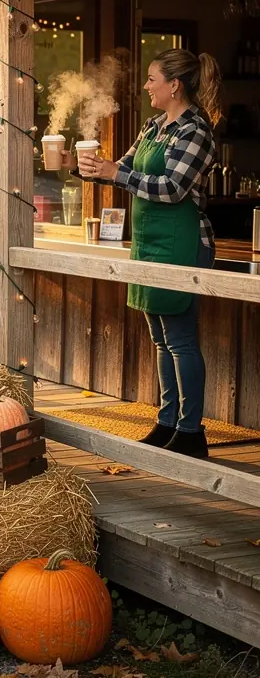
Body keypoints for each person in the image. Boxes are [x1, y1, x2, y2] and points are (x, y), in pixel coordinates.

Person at [78, 49, 220, 459]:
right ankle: (168, 421)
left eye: (152, 78)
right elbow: (124, 170)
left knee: (180, 340)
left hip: (182, 244)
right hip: (147, 242)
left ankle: (192, 432)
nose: (146, 86)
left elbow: (172, 188)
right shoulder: (155, 125)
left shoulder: (195, 131)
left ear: (174, 85)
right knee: (160, 339)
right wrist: (85, 166)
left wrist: (115, 172)